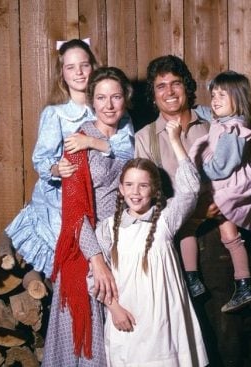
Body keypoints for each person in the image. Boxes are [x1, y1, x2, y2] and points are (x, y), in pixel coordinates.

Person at [4, 39, 134, 278]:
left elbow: (128, 150)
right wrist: (56, 169)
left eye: (84, 65)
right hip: (64, 201)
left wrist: (93, 142)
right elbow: (41, 160)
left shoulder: (113, 108)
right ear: (61, 74)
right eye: (70, 67)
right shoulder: (56, 114)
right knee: (73, 269)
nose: (79, 72)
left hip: (104, 199)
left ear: (93, 67)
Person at [42, 66, 134, 366]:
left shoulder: (129, 136)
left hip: (123, 244)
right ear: (91, 102)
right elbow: (74, 213)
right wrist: (96, 260)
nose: (109, 105)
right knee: (84, 339)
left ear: (125, 100)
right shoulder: (77, 142)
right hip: (86, 247)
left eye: (116, 97)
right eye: (101, 98)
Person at [98, 125, 208, 366]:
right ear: (120, 189)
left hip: (162, 320)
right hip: (125, 317)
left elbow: (190, 189)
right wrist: (114, 308)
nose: (135, 193)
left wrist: (175, 140)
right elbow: (95, 277)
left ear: (155, 190)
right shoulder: (107, 228)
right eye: (129, 185)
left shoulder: (166, 219)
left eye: (143, 186)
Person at [134, 55, 216, 298]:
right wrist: (195, 213)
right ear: (153, 93)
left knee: (223, 322)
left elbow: (243, 179)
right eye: (161, 86)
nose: (169, 91)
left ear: (186, 87)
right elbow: (142, 201)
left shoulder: (213, 127)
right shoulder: (144, 138)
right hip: (169, 238)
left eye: (175, 83)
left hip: (217, 232)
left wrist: (225, 205)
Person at [188, 70, 251, 313]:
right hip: (227, 185)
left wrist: (199, 171)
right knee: (229, 236)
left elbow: (220, 168)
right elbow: (207, 114)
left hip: (227, 187)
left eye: (222, 95)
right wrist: (194, 108)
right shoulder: (226, 121)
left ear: (238, 98)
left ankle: (192, 280)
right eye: (213, 95)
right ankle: (243, 284)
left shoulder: (233, 131)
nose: (215, 100)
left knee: (190, 225)